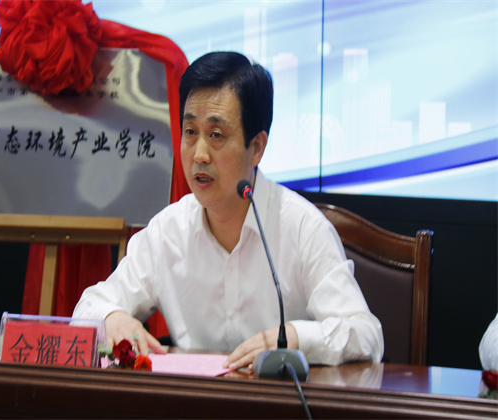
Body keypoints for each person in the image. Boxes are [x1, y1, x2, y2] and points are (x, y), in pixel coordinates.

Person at [73, 51, 383, 369]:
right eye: (190, 132)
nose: (199, 154)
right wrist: (112, 318)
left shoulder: (302, 228)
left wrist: (295, 337)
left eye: (216, 135)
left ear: (257, 148)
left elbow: (365, 334)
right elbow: (89, 307)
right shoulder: (168, 231)